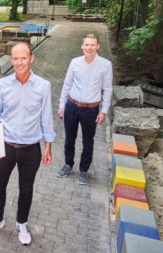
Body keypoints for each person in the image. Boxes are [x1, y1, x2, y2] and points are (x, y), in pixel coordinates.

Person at [0, 42, 55, 245]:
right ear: (11, 59)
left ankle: (22, 223)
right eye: (15, 58)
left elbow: (46, 117)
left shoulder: (43, 86)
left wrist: (48, 145)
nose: (19, 62)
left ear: (31, 58)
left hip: (31, 149)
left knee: (26, 189)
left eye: (23, 58)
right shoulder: (2, 84)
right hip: (5, 147)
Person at [56, 33, 113, 185]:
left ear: (98, 46)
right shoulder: (74, 62)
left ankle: (83, 170)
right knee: (69, 139)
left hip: (91, 110)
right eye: (86, 44)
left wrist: (103, 111)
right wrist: (62, 105)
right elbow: (67, 85)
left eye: (92, 44)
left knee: (88, 141)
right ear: (82, 46)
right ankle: (68, 164)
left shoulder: (105, 65)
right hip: (72, 106)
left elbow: (107, 89)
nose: (89, 47)